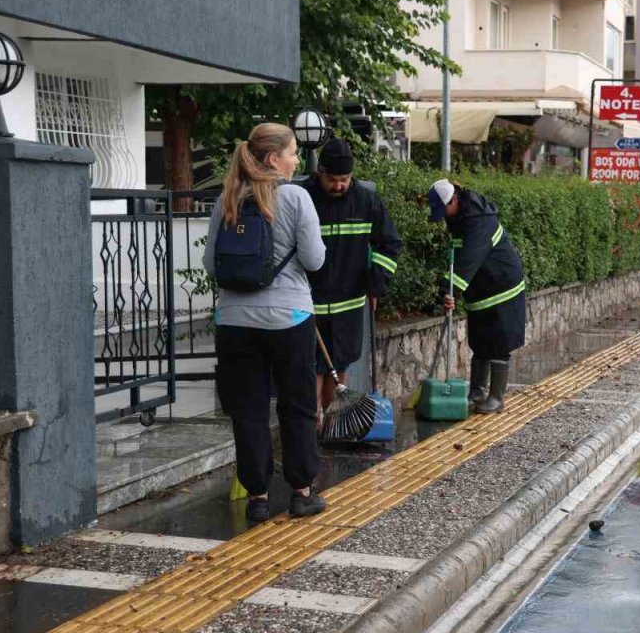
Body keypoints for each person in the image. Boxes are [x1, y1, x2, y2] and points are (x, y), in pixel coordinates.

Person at [203, 123, 327, 522]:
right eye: (292, 153)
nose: (296, 160)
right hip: (289, 319)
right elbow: (314, 260)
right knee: (297, 406)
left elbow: (210, 264)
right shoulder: (296, 197)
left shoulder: (226, 199)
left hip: (235, 321)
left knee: (249, 410)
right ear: (274, 159)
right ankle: (302, 492)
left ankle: (257, 497)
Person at [301, 138, 402, 423]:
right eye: (333, 179)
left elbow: (390, 244)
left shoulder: (367, 201)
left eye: (345, 179)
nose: (339, 185)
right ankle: (313, 425)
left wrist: (376, 281)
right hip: (310, 303)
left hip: (348, 304)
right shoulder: (303, 197)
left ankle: (333, 423)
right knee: (312, 368)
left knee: (339, 365)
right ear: (320, 173)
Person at [427, 179, 526, 414]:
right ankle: (476, 392)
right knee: (480, 341)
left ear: (454, 200)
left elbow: (467, 262)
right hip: (481, 288)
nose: (442, 217)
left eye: (443, 210)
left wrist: (449, 290)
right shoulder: (458, 218)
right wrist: (450, 290)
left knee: (499, 343)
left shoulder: (479, 222)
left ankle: (496, 397)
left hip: (503, 286)